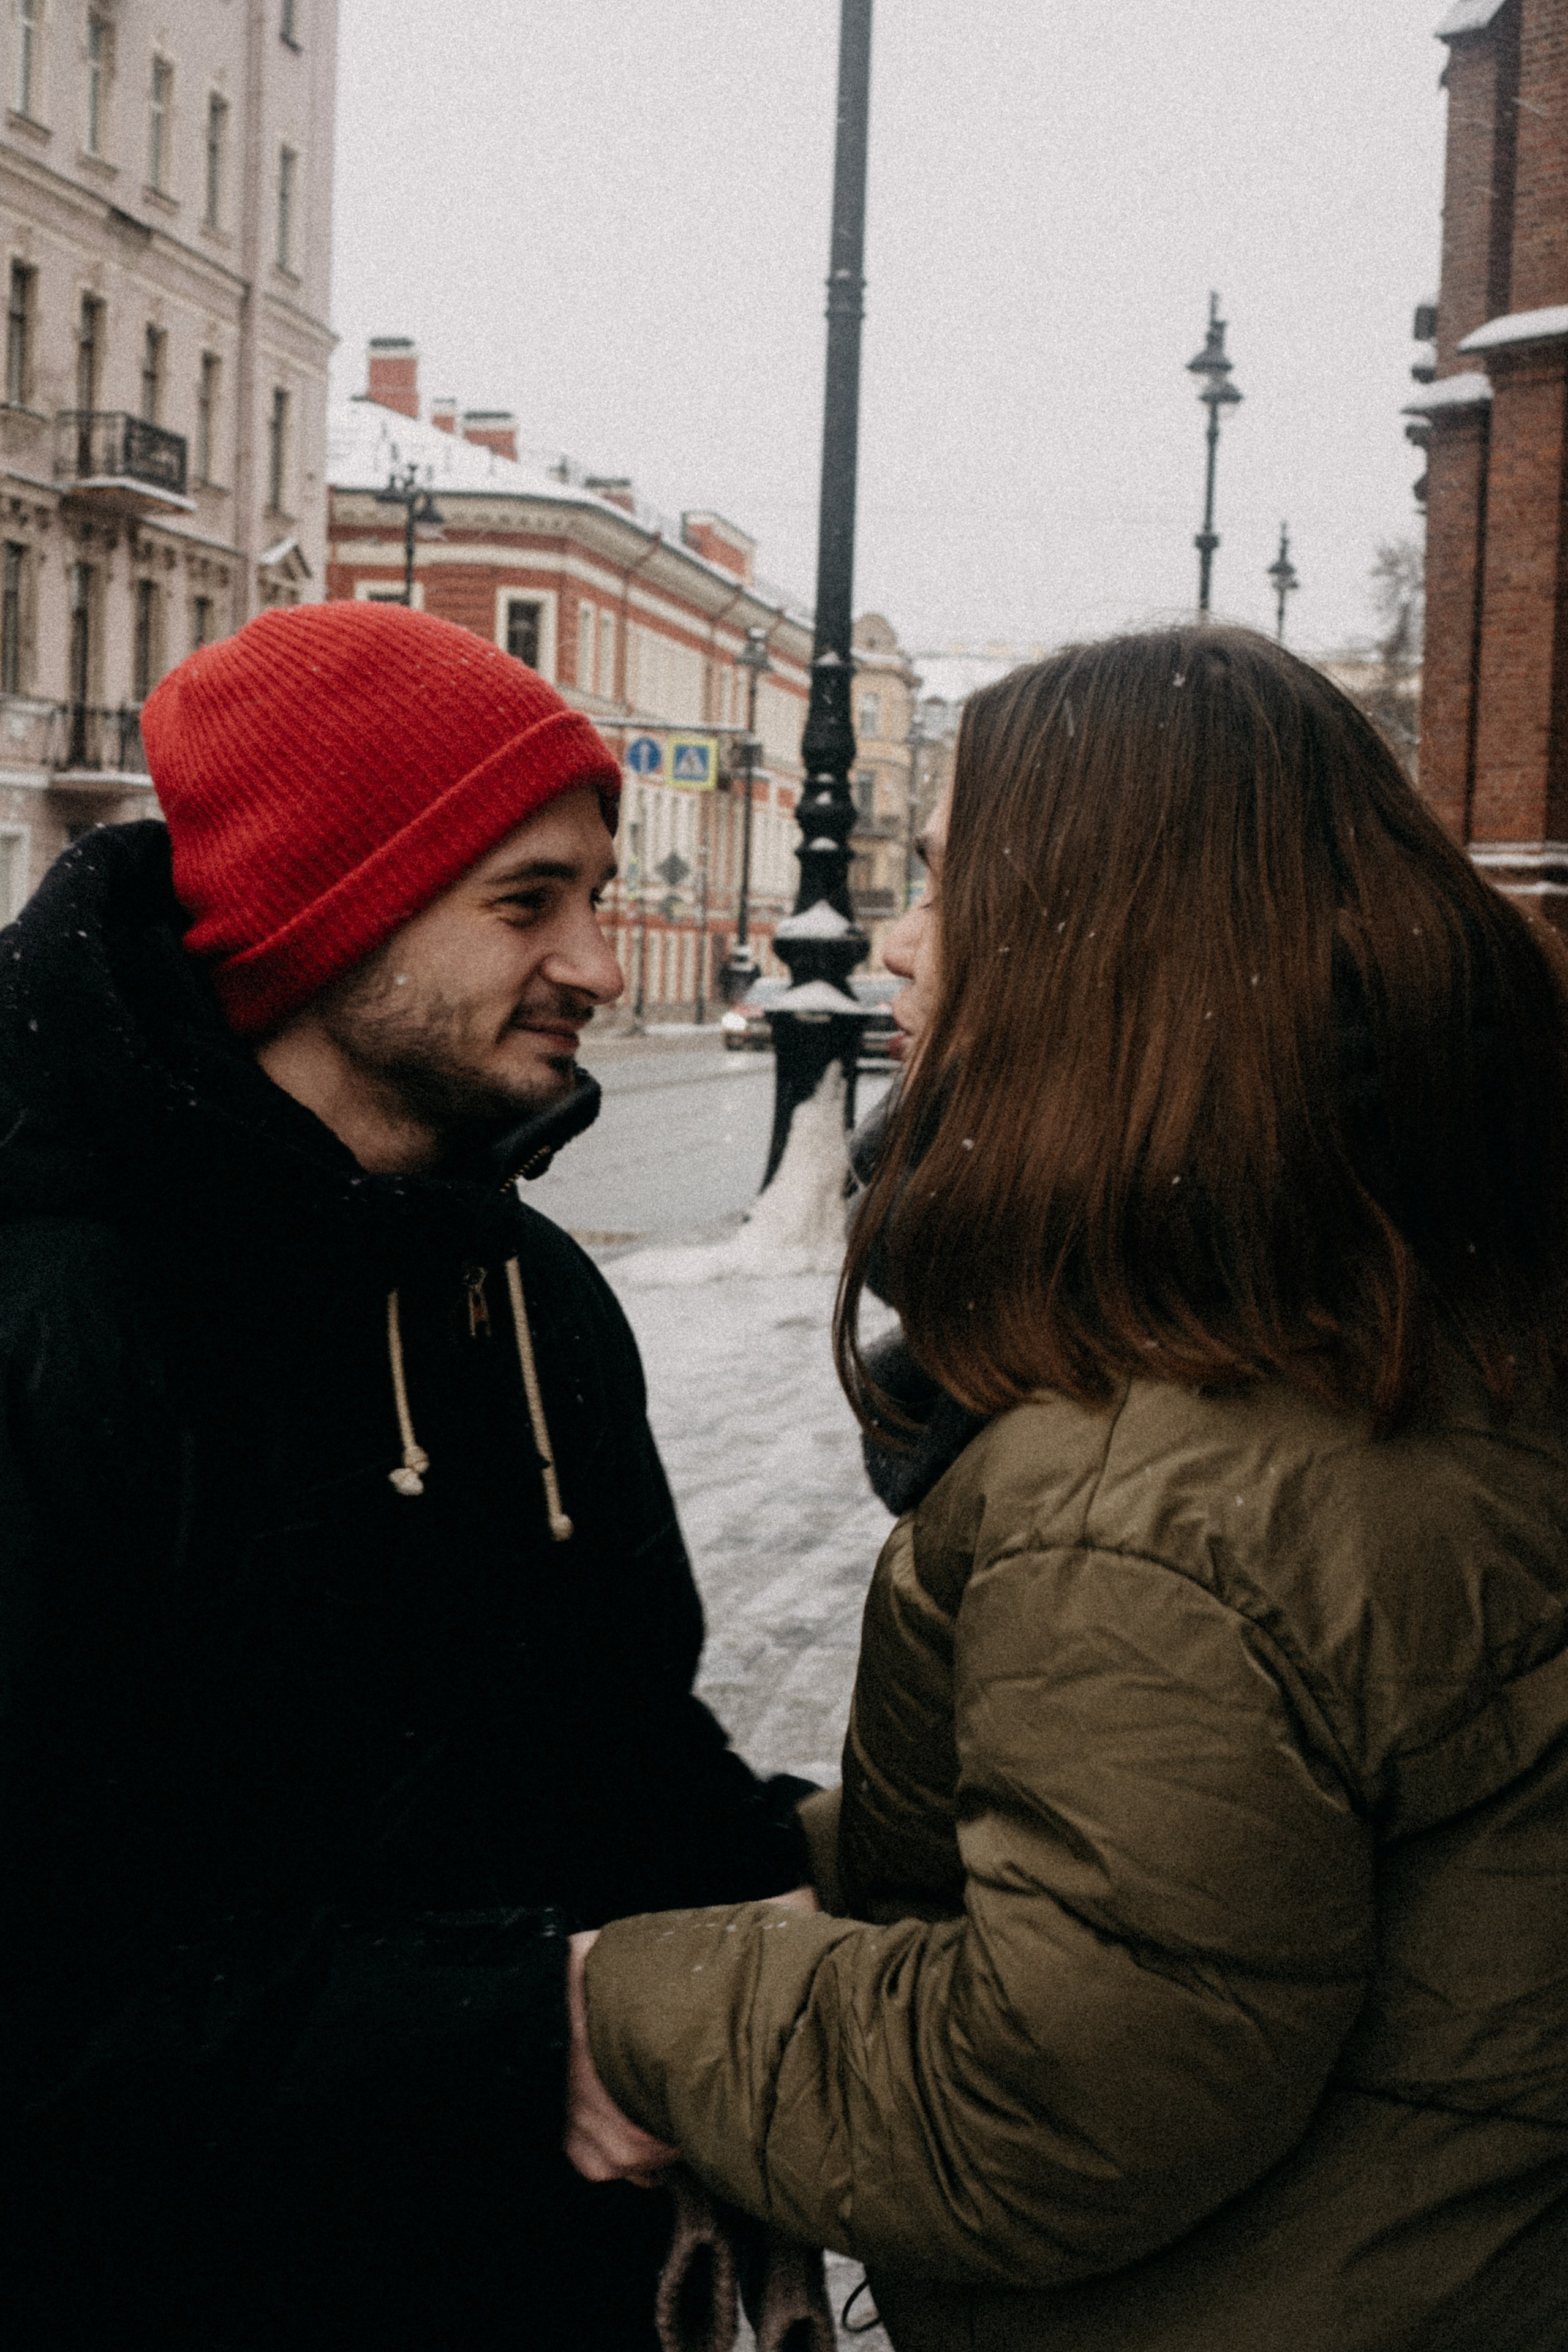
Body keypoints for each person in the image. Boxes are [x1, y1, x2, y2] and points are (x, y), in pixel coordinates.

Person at [567, 626, 1568, 2351]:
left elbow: (1050, 2096)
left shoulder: (1158, 1495)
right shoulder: (1399, 1310)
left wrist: (623, 2002)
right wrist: (794, 1866)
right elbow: (1226, 1850)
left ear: (1104, 949)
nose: (890, 938)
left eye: (946, 879)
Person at [0, 600, 814, 2349]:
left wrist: (809, 1881)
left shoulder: (530, 1295)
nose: (598, 964)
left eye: (594, 899)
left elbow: (613, 1739)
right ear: (323, 917)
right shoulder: (51, 1316)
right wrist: (524, 2034)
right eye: (528, 902)